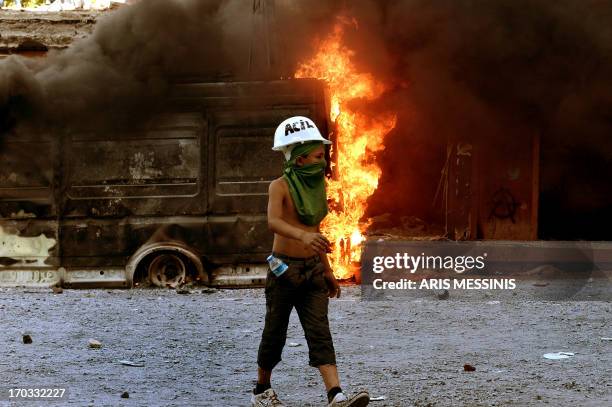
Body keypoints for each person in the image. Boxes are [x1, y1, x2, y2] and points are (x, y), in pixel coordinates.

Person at [251, 116, 369, 407]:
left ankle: (336, 395)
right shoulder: (278, 186)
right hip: (284, 270)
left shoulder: (318, 188)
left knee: (320, 332)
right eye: (318, 156)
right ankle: (262, 391)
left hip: (313, 271)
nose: (323, 162)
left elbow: (315, 230)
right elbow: (273, 222)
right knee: (274, 333)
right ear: (300, 158)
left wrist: (327, 269)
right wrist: (302, 237)